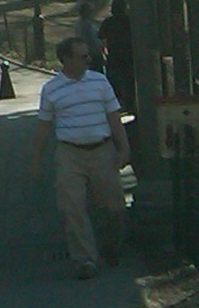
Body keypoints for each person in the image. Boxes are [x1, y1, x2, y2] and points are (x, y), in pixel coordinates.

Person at [30, 37, 130, 280]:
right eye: (83, 56)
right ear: (66, 59)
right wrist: (35, 160)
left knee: (114, 205)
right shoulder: (51, 90)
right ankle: (85, 259)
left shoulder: (99, 82)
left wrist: (123, 148)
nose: (89, 60)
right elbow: (43, 127)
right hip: (69, 152)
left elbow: (114, 117)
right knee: (72, 207)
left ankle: (110, 244)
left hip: (102, 150)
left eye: (88, 55)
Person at [99, 0, 135, 110]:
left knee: (114, 79)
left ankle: (117, 101)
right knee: (129, 78)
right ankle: (131, 101)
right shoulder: (130, 21)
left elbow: (100, 36)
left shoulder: (108, 22)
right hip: (129, 54)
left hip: (114, 54)